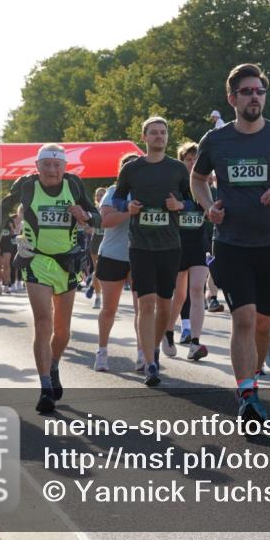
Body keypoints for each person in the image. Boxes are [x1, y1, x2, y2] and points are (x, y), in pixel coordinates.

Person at [191, 63, 270, 424]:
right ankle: (246, 392)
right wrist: (207, 205)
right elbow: (197, 180)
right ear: (233, 98)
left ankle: (252, 376)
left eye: (259, 90)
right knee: (242, 318)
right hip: (231, 242)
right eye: (247, 91)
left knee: (263, 323)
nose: (255, 96)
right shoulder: (216, 140)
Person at [0, 144, 100, 413]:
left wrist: (86, 216)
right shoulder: (27, 185)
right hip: (36, 259)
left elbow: (97, 216)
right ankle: (45, 387)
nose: (52, 170)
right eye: (46, 165)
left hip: (66, 262)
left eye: (57, 165)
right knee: (43, 321)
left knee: (62, 332)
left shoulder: (73, 185)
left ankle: (54, 364)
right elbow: (3, 209)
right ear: (37, 167)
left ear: (64, 167)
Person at [112, 117, 191, 387]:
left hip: (170, 245)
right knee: (146, 304)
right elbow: (118, 198)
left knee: (165, 306)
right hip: (141, 245)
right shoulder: (132, 169)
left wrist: (178, 205)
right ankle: (150, 363)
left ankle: (154, 348)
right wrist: (128, 207)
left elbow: (192, 202)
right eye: (154, 133)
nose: (159, 136)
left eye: (163, 132)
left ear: (167, 137)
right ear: (144, 137)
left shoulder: (178, 168)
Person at [93, 153, 143, 372]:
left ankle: (144, 354)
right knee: (109, 309)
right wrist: (128, 212)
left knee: (142, 309)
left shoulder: (149, 191)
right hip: (113, 255)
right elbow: (105, 221)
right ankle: (102, 351)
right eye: (128, 167)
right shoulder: (113, 192)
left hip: (141, 255)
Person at [165, 142, 210, 362]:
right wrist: (181, 206)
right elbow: (170, 205)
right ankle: (167, 332)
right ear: (181, 161)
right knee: (179, 295)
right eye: (189, 159)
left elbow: (206, 207)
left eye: (195, 159)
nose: (193, 163)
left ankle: (195, 342)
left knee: (197, 290)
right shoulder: (174, 184)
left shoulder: (203, 185)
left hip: (198, 244)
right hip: (176, 245)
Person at [84, 187, 106, 308]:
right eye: (98, 195)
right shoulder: (94, 210)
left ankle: (92, 285)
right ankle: (98, 297)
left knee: (103, 270)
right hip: (96, 242)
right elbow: (86, 227)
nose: (99, 197)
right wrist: (92, 228)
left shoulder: (111, 209)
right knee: (98, 269)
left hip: (108, 242)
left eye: (102, 195)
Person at [0, 213, 18, 294]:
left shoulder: (10, 219)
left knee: (6, 264)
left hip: (8, 244)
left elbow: (13, 233)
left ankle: (6, 285)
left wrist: (11, 227)